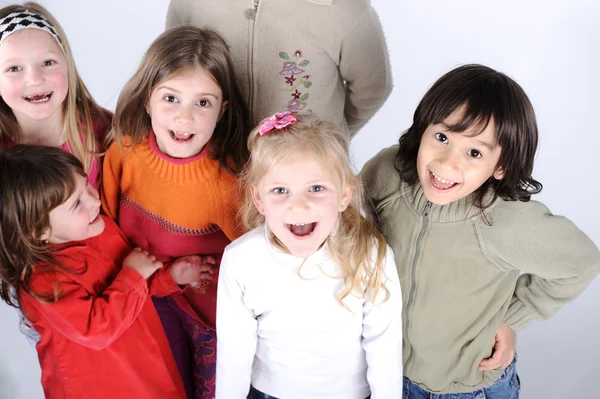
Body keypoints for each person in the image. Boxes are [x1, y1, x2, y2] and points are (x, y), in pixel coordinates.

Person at [361, 64, 600, 398]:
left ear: (500, 165)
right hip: (388, 375)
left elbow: (582, 262)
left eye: (474, 152)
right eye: (442, 137)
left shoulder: (504, 221)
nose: (446, 163)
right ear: (423, 128)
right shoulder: (389, 174)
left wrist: (513, 318)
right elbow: (354, 222)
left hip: (466, 389)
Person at [102, 25, 249, 399]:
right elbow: (104, 225)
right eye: (171, 98)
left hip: (209, 319)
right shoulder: (124, 152)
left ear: (222, 112)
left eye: (203, 103)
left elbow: (258, 260)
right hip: (147, 299)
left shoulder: (227, 181)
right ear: (148, 99)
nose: (185, 118)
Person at [216, 111, 403, 399]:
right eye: (280, 190)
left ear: (344, 196)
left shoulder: (371, 255)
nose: (298, 206)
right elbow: (233, 355)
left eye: (316, 188)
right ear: (259, 199)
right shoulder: (241, 261)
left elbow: (384, 348)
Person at [0, 145, 185, 399]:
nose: (95, 200)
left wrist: (170, 278)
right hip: (99, 387)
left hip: (146, 368)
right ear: (38, 229)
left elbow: (133, 292)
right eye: (77, 203)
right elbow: (97, 330)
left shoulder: (103, 228)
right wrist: (134, 274)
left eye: (87, 186)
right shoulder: (41, 282)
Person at [0, 1, 111, 344]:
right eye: (13, 69)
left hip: (113, 278)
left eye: (48, 62)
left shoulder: (102, 131)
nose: (34, 78)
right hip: (50, 295)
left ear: (68, 65)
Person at [165, 0, 392, 138]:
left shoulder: (345, 9)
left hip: (306, 173)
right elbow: (174, 70)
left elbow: (373, 89)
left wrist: (329, 135)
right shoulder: (191, 3)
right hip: (216, 165)